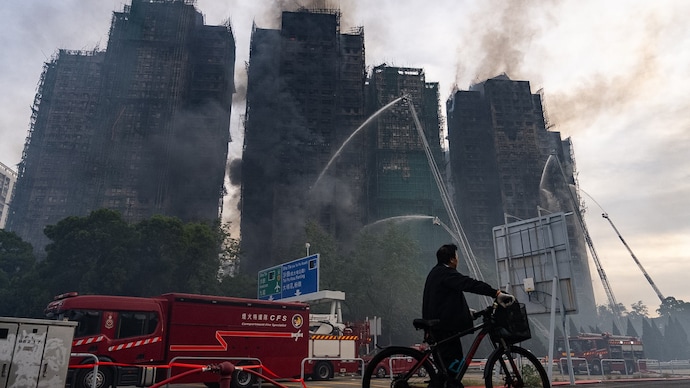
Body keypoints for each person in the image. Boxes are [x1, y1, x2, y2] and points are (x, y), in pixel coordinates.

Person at [422, 243, 515, 388]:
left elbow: (442, 301)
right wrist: (496, 293)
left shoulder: (435, 273)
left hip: (438, 327)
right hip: (443, 329)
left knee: (448, 371)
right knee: (455, 365)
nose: (458, 260)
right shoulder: (446, 273)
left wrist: (466, 312)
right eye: (457, 256)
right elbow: (468, 284)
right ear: (452, 259)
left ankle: (446, 383)